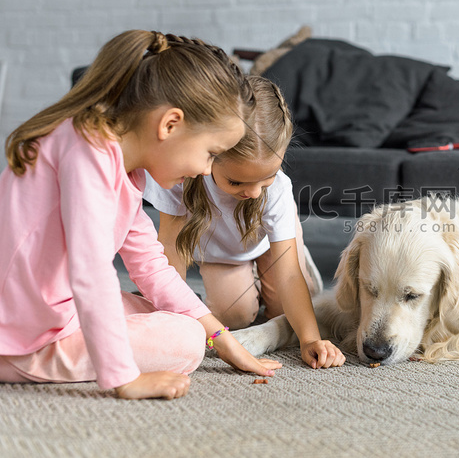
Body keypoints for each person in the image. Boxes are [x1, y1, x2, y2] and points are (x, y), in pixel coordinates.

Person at [0, 30, 283, 400]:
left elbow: (150, 265)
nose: (204, 170)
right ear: (170, 125)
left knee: (178, 317)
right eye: (211, 153)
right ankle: (15, 360)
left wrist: (220, 337)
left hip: (49, 305)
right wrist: (124, 378)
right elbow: (91, 273)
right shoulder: (88, 156)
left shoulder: (122, 165)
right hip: (25, 327)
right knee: (185, 341)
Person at [144, 76, 345, 370]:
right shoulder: (181, 177)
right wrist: (172, 318)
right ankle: (248, 282)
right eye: (236, 181)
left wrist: (310, 338)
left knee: (288, 314)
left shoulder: (277, 191)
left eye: (266, 178)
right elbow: (171, 254)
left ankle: (295, 252)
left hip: (268, 243)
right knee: (234, 317)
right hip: (222, 253)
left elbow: (289, 277)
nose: (252, 192)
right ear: (211, 154)